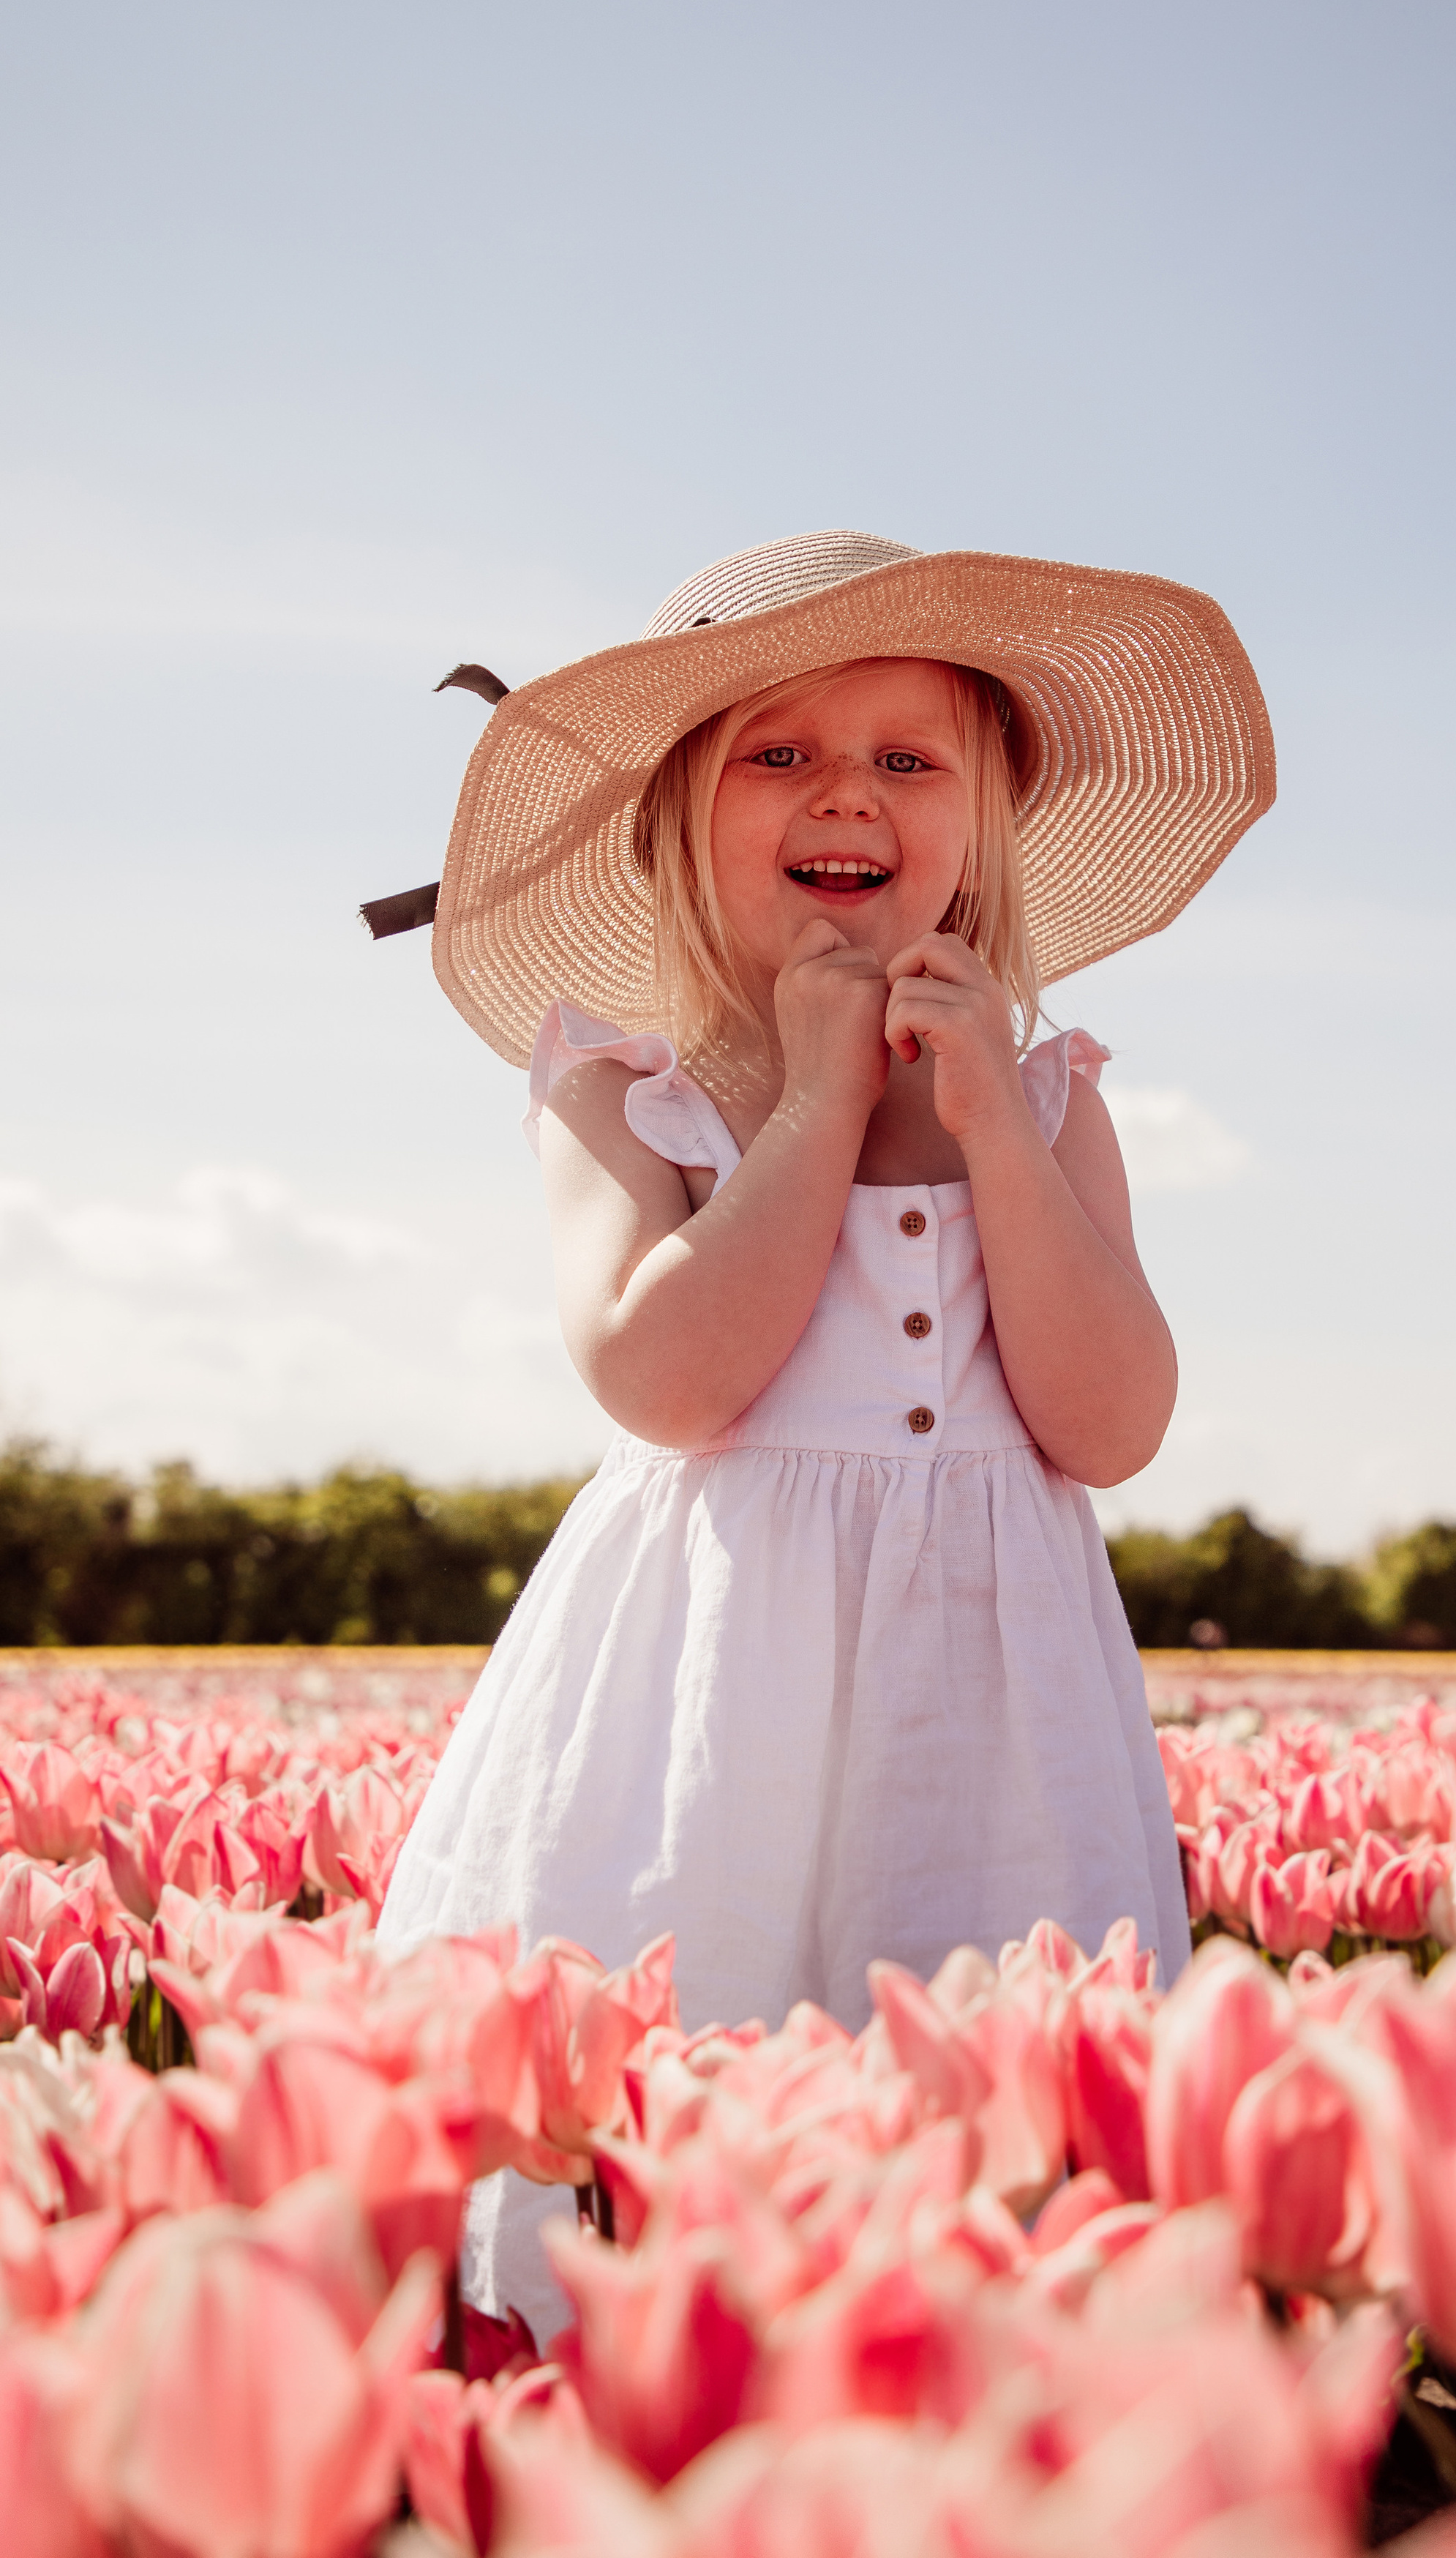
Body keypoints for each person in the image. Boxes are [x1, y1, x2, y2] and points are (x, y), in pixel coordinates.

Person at [375, 531, 1275, 2323]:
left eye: (905, 758)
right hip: (713, 1706)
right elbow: (666, 1379)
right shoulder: (622, 1089)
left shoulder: (1041, 1094)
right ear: (676, 826)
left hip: (989, 1714)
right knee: (690, 2065)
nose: (841, 790)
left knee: (983, 2137)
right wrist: (810, 1103)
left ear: (980, 828)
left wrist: (992, 1138)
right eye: (774, 753)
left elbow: (1109, 1422)